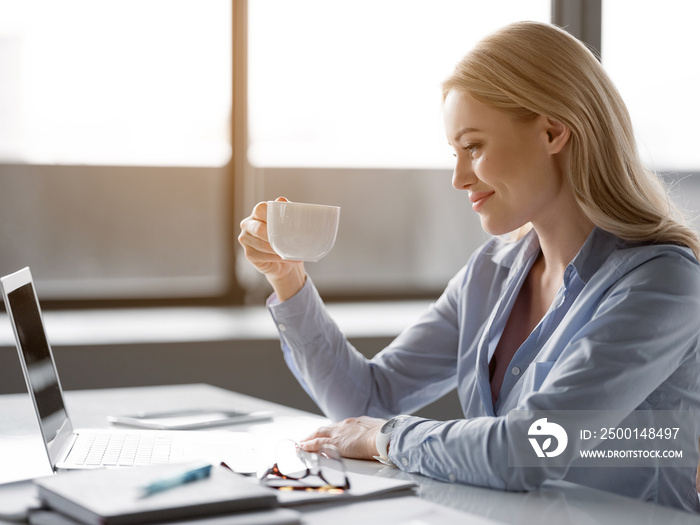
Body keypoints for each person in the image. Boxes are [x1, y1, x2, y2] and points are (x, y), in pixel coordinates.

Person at [238, 21, 700, 512]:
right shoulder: (491, 273)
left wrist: (390, 438)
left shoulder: (662, 284)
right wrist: (287, 279)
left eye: (474, 147)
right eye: (454, 153)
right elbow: (366, 404)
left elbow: (530, 449)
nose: (459, 178)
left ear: (552, 131)